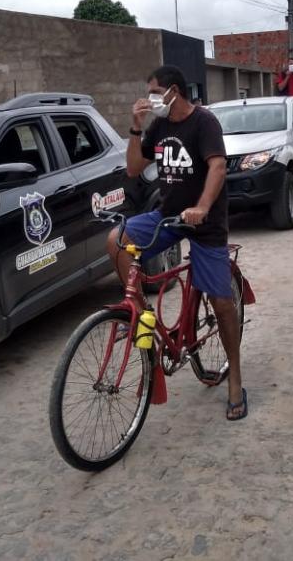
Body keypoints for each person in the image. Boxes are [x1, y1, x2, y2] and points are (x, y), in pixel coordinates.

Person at [108, 65, 247, 420]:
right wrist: (136, 127)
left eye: (153, 91)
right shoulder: (159, 125)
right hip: (168, 217)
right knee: (117, 239)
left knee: (220, 300)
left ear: (172, 90)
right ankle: (141, 314)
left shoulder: (204, 123)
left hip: (204, 223)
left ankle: (235, 379)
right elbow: (134, 168)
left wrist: (201, 207)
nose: (149, 97)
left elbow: (217, 167)